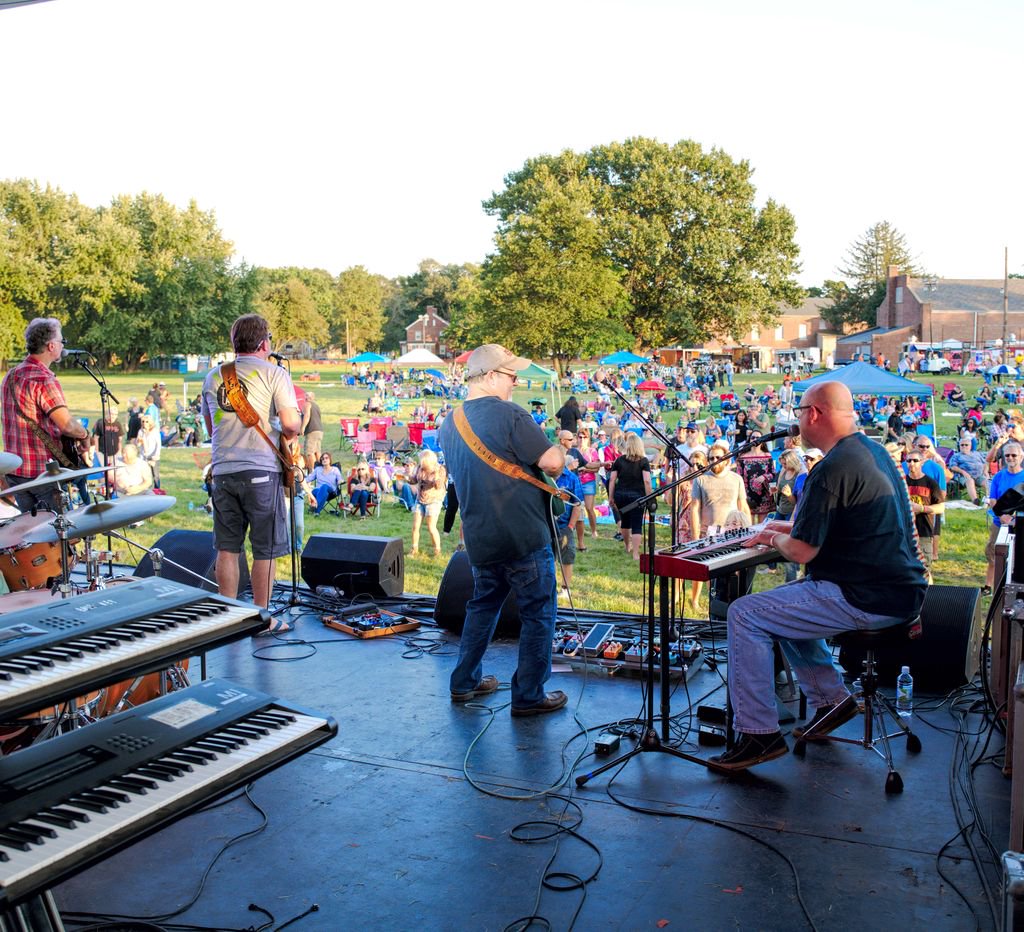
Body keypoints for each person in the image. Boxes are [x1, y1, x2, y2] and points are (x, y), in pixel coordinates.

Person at [707, 381, 927, 773]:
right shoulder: (871, 452)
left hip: (865, 597)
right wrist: (781, 525)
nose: (796, 422)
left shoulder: (831, 468)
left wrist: (770, 536)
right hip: (899, 592)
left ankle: (759, 734)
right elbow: (834, 525)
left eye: (799, 413)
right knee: (785, 607)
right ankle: (832, 700)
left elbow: (804, 551)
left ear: (814, 414)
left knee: (745, 613)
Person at [439, 343, 567, 716]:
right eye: (512, 376)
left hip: (480, 537)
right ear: (491, 376)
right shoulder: (511, 415)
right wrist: (560, 448)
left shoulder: (450, 422)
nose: (516, 383)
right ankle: (529, 695)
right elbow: (551, 463)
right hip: (524, 536)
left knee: (482, 607)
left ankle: (464, 682)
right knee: (538, 613)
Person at [201, 314, 301, 622]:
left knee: (228, 547)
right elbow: (290, 425)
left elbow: (210, 428)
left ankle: (227, 618)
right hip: (260, 469)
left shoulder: (213, 376)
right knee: (265, 549)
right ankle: (261, 617)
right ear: (264, 343)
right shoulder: (275, 374)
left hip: (222, 470)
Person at [0, 317, 90, 512]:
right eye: (61, 341)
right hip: (42, 472)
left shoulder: (11, 375)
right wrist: (84, 435)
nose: (62, 345)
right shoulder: (43, 379)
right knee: (57, 534)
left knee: (32, 535)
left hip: (15, 472)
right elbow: (67, 425)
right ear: (51, 346)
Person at [984, 442, 1024, 594]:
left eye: (1014, 455)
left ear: (1021, 457)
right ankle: (991, 588)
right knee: (994, 554)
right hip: (999, 523)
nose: (1010, 458)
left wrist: (1013, 518)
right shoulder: (999, 476)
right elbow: (993, 500)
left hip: (1020, 525)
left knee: (1017, 559)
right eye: (1007, 455)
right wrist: (1002, 516)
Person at [690, 440, 751, 536]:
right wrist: (695, 537)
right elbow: (694, 509)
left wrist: (749, 532)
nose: (715, 461)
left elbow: (743, 507)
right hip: (707, 534)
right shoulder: (700, 480)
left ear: (726, 460)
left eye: (718, 457)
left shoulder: (737, 479)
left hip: (733, 532)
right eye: (711, 458)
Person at [608, 432, 653, 561]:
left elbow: (612, 480)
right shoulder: (643, 461)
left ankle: (627, 546)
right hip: (637, 496)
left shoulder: (619, 460)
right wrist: (649, 496)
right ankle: (635, 553)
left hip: (621, 495)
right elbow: (647, 481)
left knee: (625, 522)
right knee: (637, 524)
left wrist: (611, 497)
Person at [904, 449, 944, 575]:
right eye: (908, 460)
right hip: (904, 534)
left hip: (923, 533)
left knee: (924, 571)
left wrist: (921, 508)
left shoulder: (931, 483)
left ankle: (927, 594)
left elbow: (941, 507)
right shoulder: (901, 482)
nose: (912, 463)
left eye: (915, 460)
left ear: (922, 462)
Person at [553, 456, 584, 597]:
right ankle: (550, 587)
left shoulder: (571, 478)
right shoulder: (543, 476)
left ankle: (565, 589)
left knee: (567, 556)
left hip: (565, 525)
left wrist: (571, 526)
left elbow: (578, 504)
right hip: (546, 524)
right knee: (548, 557)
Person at [409, 449, 447, 555]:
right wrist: (407, 478)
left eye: (423, 461)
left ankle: (437, 551)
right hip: (420, 499)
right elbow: (414, 480)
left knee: (431, 527)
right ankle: (414, 549)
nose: (421, 463)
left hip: (434, 500)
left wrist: (436, 479)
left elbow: (439, 486)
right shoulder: (420, 468)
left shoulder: (440, 469)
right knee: (415, 526)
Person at [948, 437, 988, 504]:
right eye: (962, 445)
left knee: (988, 482)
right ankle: (975, 500)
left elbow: (985, 464)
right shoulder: (956, 456)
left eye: (966, 445)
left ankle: (989, 500)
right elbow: (952, 467)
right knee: (970, 480)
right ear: (959, 446)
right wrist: (963, 472)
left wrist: (985, 471)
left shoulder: (977, 454)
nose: (964, 446)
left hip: (979, 475)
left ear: (970, 446)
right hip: (963, 476)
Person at [301, 390, 324, 472]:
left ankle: (313, 471)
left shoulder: (307, 404)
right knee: (317, 451)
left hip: (312, 430)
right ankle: (322, 470)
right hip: (319, 430)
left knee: (309, 452)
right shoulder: (316, 406)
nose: (306, 397)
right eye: (306, 395)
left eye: (307, 395)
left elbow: (307, 415)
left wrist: (303, 427)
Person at [138, 415, 162, 489]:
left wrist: (155, 456)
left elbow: (158, 444)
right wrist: (142, 438)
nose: (145, 423)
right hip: (143, 456)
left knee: (155, 475)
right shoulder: (141, 431)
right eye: (143, 421)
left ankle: (157, 490)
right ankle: (146, 489)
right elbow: (138, 444)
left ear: (150, 422)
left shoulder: (155, 432)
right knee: (145, 474)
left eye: (147, 421)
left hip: (153, 455)